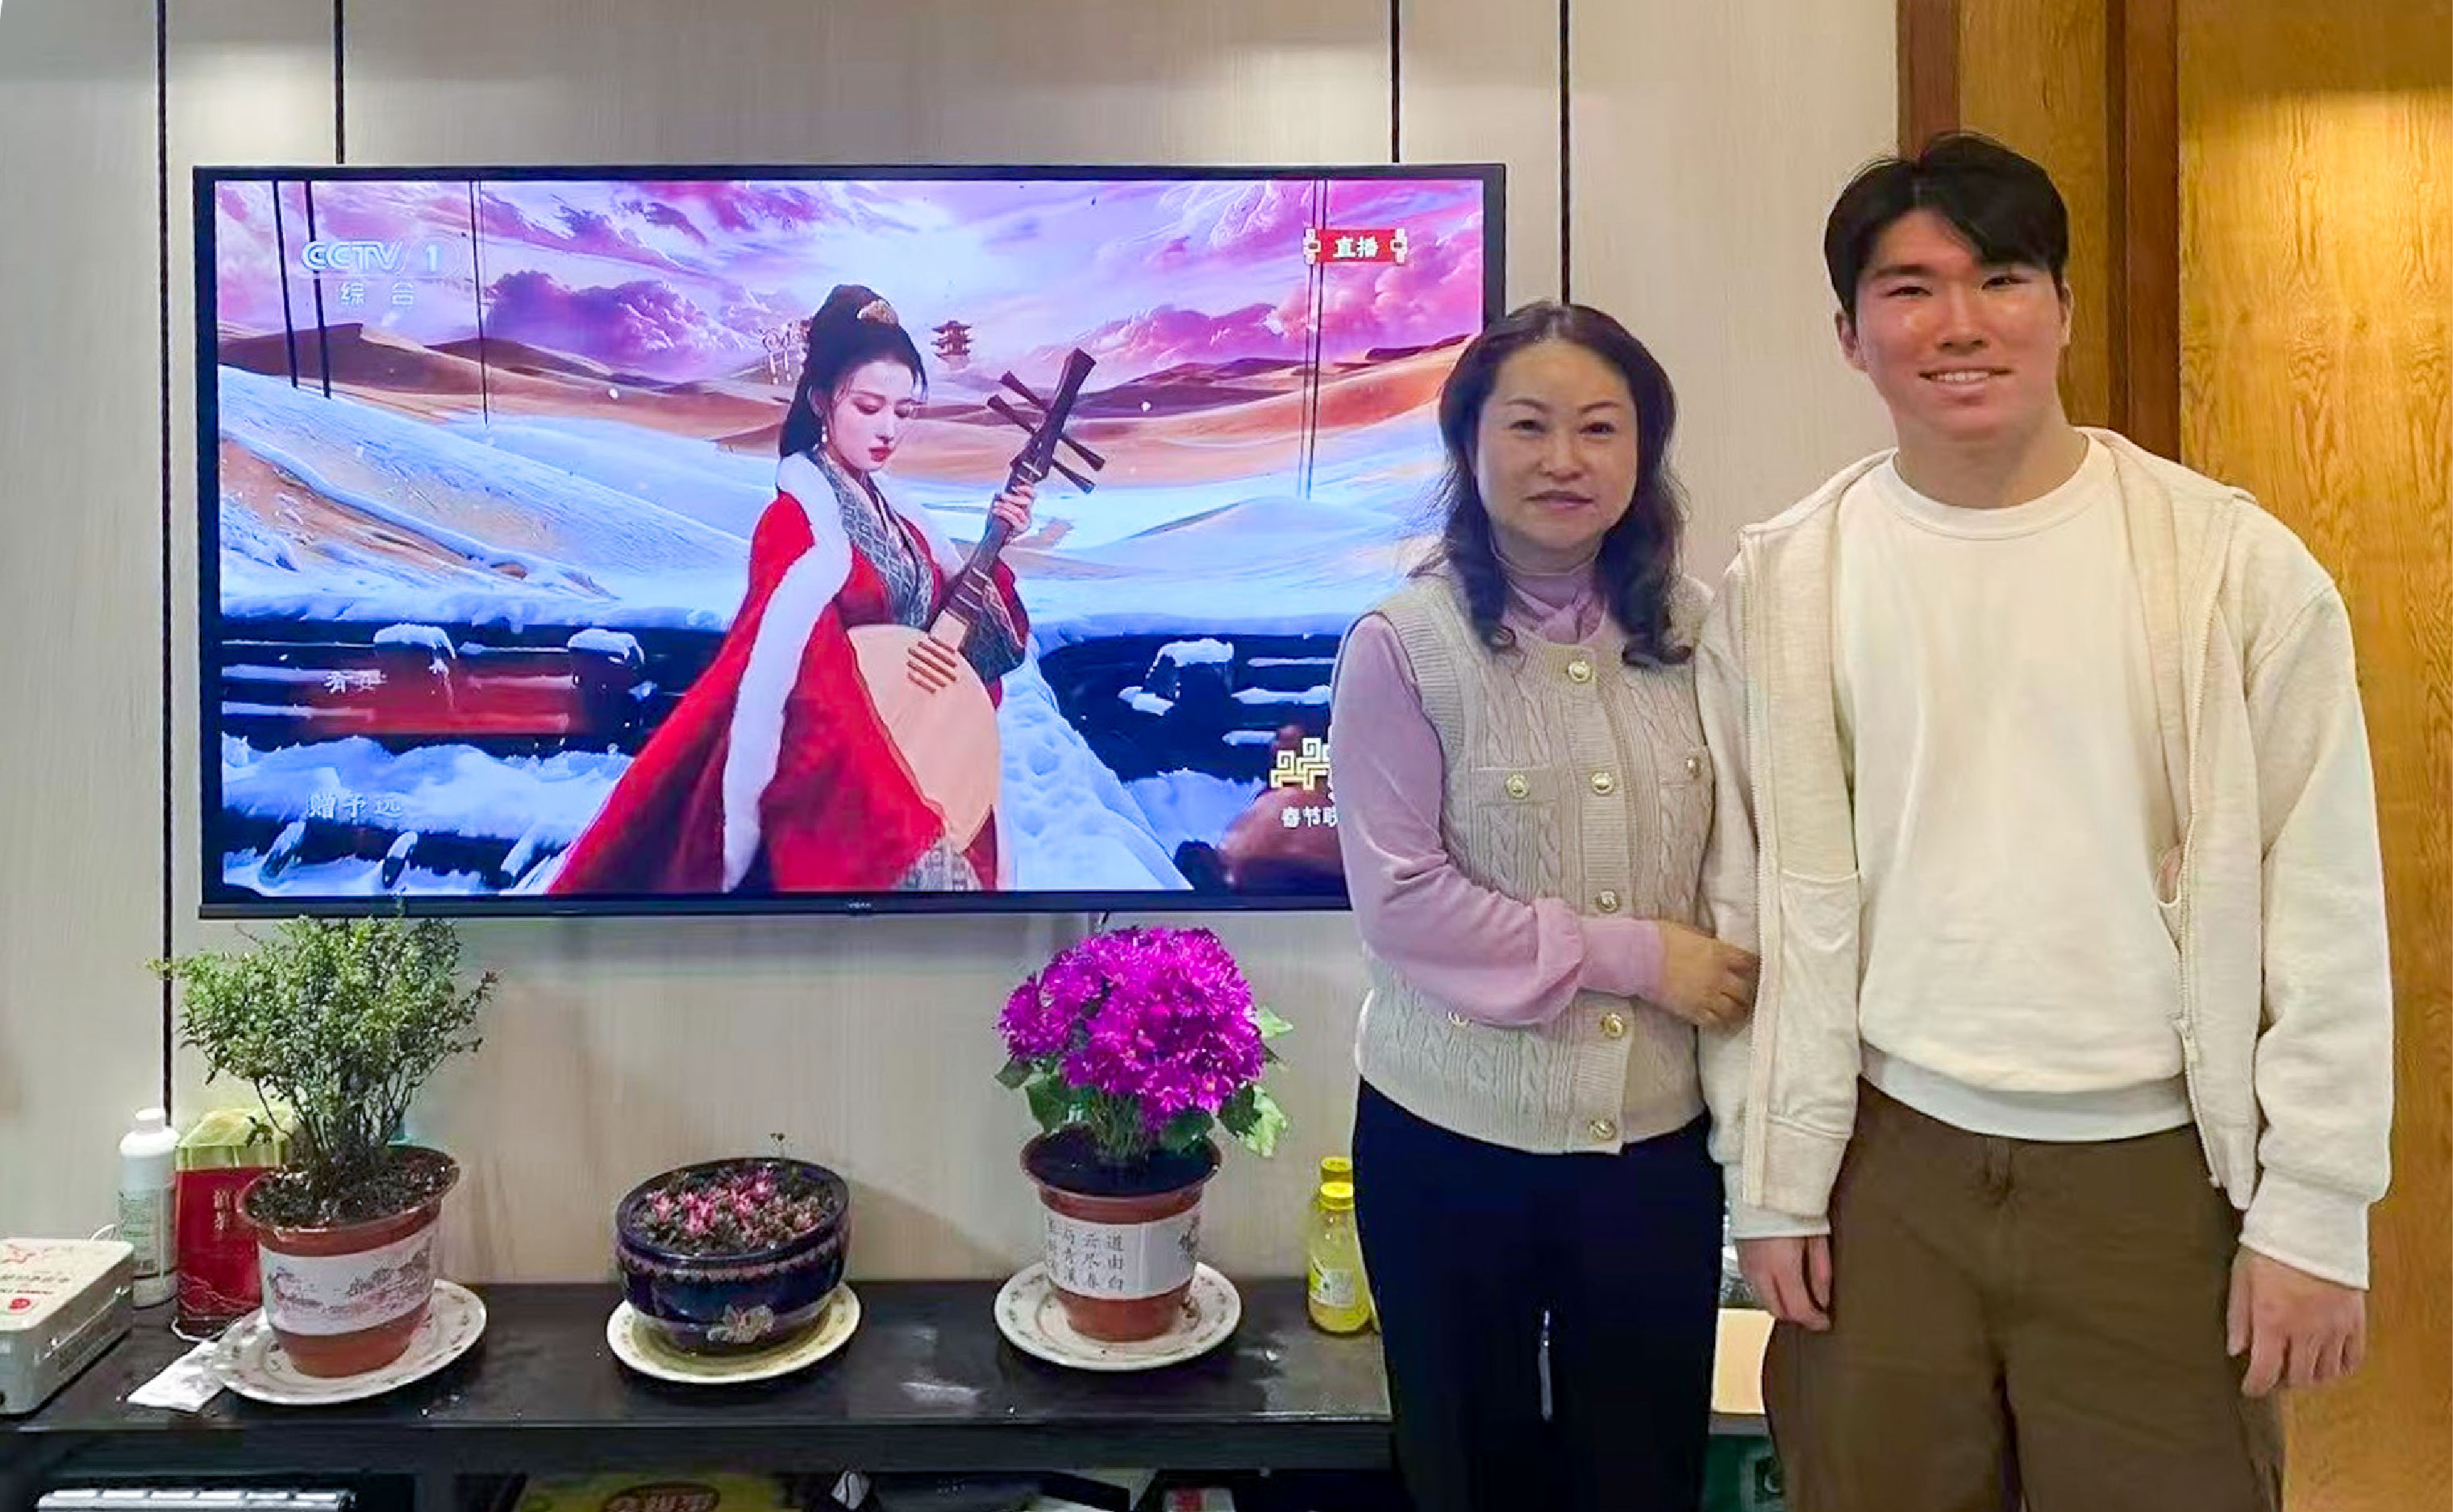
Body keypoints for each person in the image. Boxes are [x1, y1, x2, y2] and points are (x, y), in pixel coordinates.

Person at [1695, 133, 2393, 1512]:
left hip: (2158, 1182)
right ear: (1849, 335)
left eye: (2001, 277)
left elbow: (2321, 897)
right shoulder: (1783, 585)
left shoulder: (2231, 571)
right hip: (1883, 1174)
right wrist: (1770, 1182)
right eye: (1908, 289)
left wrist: (2314, 1206)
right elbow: (1747, 904)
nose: (1959, 324)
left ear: (2062, 307)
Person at [1331, 301, 1761, 1512]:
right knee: (1469, 1468)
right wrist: (1636, 955)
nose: (1562, 459)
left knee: (1642, 1465)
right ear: (1470, 447)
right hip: (1447, 1140)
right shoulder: (1401, 646)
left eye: (1598, 427)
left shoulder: (1697, 633)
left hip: (1651, 1147)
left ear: (1642, 451)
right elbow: (1404, 904)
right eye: (1526, 425)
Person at [548, 283, 1035, 895]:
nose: (888, 428)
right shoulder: (796, 527)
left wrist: (997, 539)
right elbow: (809, 688)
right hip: (833, 798)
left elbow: (955, 644)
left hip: (909, 760)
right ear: (821, 401)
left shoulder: (903, 521)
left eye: (904, 411)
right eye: (868, 406)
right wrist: (900, 823)